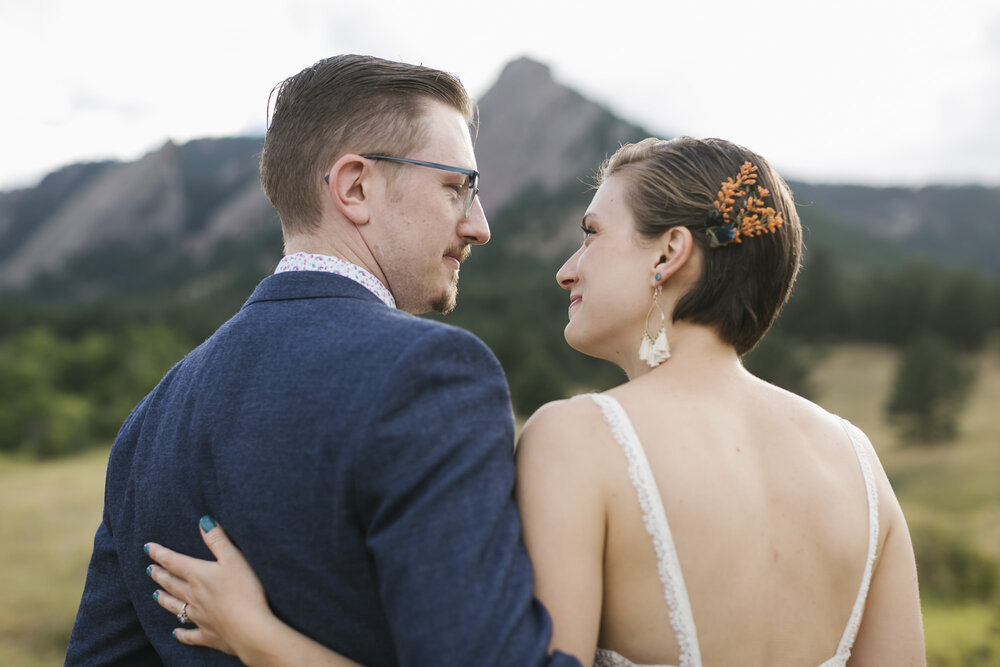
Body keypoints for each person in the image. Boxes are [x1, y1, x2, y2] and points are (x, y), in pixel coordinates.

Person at [145, 137, 927, 666]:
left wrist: (259, 636)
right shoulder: (860, 466)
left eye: (591, 233)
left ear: (670, 252)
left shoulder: (583, 438)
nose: (566, 268)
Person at [65, 54, 581, 666]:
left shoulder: (151, 419)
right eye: (457, 187)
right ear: (355, 187)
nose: (480, 225)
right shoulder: (432, 375)